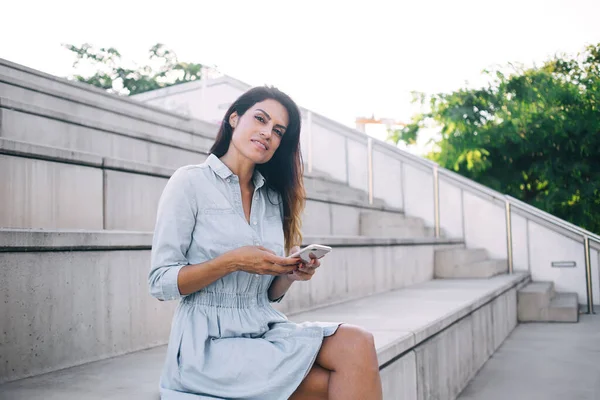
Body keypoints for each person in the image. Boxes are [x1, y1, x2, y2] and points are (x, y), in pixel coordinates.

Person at [149, 86, 383, 400]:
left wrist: (288, 273)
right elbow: (160, 282)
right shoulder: (189, 182)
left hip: (264, 328)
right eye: (260, 119)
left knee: (358, 341)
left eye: (277, 131)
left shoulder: (272, 198)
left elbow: (268, 295)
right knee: (336, 384)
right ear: (234, 118)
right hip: (207, 345)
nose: (267, 133)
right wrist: (232, 261)